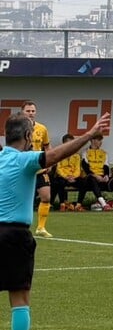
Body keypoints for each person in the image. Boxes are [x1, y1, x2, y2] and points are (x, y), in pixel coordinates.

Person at [0, 110, 110, 330]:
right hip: (15, 235)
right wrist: (89, 135)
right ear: (29, 136)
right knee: (20, 298)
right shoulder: (26, 160)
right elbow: (57, 155)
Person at [20, 101, 54, 237]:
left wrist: (49, 161)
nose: (31, 113)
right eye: (28, 111)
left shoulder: (42, 129)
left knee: (46, 196)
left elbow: (47, 146)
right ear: (22, 112)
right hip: (24, 168)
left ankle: (41, 227)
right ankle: (20, 226)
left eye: (33, 111)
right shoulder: (18, 128)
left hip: (39, 168)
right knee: (22, 199)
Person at [77, 133, 113, 210]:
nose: (100, 142)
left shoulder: (104, 153)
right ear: (92, 140)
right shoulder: (85, 152)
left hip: (102, 178)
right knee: (92, 179)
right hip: (90, 178)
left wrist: (106, 176)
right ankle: (104, 204)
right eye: (98, 140)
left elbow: (106, 166)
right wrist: (96, 176)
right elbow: (85, 167)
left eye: (101, 140)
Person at [51, 133, 82, 208]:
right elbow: (59, 169)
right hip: (63, 177)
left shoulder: (76, 156)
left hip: (74, 177)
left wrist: (73, 176)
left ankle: (78, 204)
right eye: (68, 143)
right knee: (58, 182)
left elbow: (78, 169)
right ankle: (62, 203)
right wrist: (66, 177)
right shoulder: (59, 154)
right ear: (64, 144)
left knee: (83, 183)